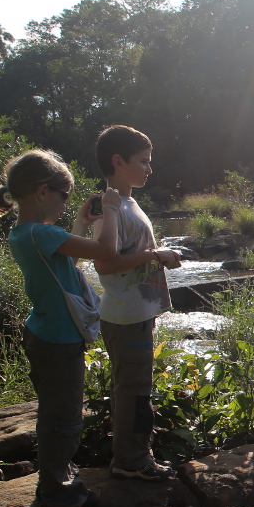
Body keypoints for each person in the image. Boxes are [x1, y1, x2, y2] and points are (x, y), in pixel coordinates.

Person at [0, 149, 122, 507]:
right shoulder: (42, 233)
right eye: (65, 196)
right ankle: (60, 501)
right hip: (58, 342)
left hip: (46, 335)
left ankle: (60, 485)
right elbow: (106, 251)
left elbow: (68, 260)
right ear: (42, 192)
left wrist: (81, 222)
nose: (66, 204)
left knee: (57, 418)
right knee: (63, 424)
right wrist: (110, 209)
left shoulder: (25, 233)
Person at [92, 125, 182, 481]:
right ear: (118, 161)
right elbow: (105, 262)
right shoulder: (110, 207)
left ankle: (134, 455)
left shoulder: (127, 203)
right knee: (133, 391)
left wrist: (155, 256)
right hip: (127, 318)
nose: (149, 169)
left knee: (135, 387)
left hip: (135, 314)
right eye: (143, 161)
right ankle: (131, 460)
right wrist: (156, 255)